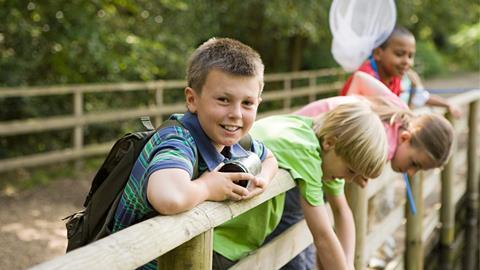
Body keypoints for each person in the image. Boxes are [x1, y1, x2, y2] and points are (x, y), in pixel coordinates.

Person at [111, 38, 278, 270]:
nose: (236, 114)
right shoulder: (178, 141)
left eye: (248, 103)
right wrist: (208, 187)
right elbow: (169, 197)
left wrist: (263, 180)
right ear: (192, 100)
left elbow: (270, 158)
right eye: (223, 100)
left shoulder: (238, 140)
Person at [212, 102, 389, 270]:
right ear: (330, 143)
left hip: (230, 237)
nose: (351, 180)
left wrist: (348, 263)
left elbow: (342, 211)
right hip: (220, 239)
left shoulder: (312, 136)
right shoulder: (305, 152)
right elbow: (322, 236)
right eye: (351, 171)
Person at [340, 26, 461, 117]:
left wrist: (448, 104)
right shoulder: (365, 78)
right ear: (377, 53)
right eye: (399, 54)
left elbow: (422, 97)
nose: (407, 62)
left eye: (410, 56)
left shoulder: (397, 77)